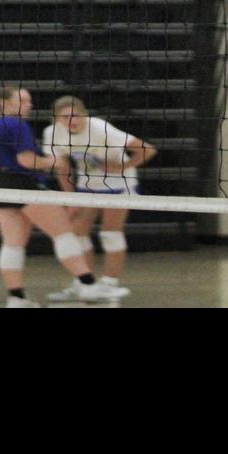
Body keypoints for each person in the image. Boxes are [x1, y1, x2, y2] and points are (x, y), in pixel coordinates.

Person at [0, 86, 131, 307]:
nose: (29, 105)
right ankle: (88, 285)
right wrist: (53, 161)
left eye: (29, 100)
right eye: (23, 100)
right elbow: (26, 160)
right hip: (24, 185)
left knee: (13, 244)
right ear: (5, 103)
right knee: (64, 234)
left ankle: (16, 298)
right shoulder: (15, 124)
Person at [42, 95, 158, 302]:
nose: (72, 121)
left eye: (76, 115)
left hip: (119, 183)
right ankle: (84, 283)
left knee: (110, 233)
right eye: (65, 117)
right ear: (56, 119)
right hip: (88, 184)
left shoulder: (100, 128)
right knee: (77, 234)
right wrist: (70, 199)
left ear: (84, 115)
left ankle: (109, 284)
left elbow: (147, 150)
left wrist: (121, 167)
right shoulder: (52, 133)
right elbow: (62, 168)